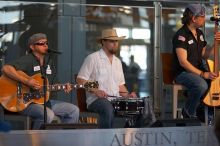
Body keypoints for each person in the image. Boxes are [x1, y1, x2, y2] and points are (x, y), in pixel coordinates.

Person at [1, 33, 79, 129]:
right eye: (41, 43)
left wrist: (64, 86)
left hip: (46, 102)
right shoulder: (28, 59)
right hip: (25, 102)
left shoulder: (49, 62)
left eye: (46, 43)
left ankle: (64, 140)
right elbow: (6, 68)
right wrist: (27, 81)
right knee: (48, 115)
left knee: (73, 110)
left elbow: (53, 85)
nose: (45, 45)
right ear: (32, 47)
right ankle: (36, 141)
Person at [76, 29, 137, 128]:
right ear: (103, 42)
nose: (115, 44)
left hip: (116, 100)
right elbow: (80, 80)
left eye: (116, 41)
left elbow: (120, 85)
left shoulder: (118, 62)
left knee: (137, 106)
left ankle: (128, 140)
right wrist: (96, 90)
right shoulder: (93, 58)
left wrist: (128, 95)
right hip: (96, 101)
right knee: (107, 107)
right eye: (112, 41)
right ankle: (105, 140)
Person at [172, 4, 220, 119]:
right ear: (194, 18)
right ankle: (188, 112)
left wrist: (216, 43)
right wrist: (203, 74)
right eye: (202, 16)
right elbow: (183, 62)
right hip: (182, 73)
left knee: (215, 83)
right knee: (200, 84)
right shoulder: (181, 35)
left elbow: (205, 55)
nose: (205, 18)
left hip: (197, 72)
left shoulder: (200, 34)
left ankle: (202, 110)